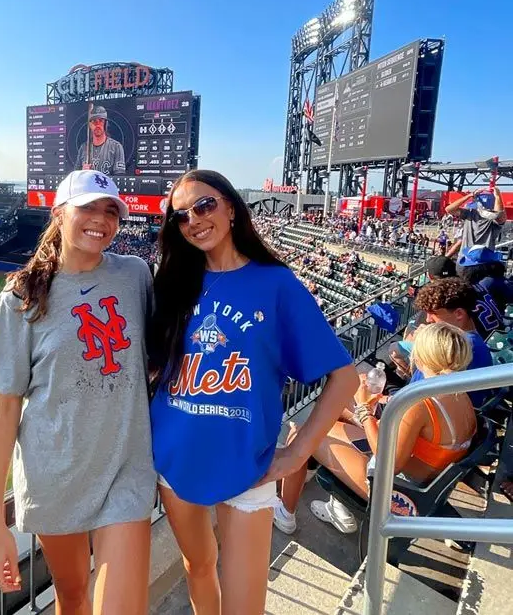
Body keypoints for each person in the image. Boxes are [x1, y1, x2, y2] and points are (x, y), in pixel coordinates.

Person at [149, 169, 358, 614]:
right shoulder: (171, 284)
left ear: (230, 207)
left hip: (250, 466)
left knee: (245, 605)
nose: (194, 220)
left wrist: (298, 453)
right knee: (198, 567)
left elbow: (345, 378)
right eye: (180, 216)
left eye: (204, 205)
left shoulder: (276, 284)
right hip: (174, 459)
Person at [0, 169, 156, 615]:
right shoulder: (21, 296)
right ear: (59, 214)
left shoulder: (135, 274)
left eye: (111, 210)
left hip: (125, 472)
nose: (101, 219)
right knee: (72, 598)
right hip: (55, 475)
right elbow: (5, 407)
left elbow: (159, 357)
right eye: (89, 207)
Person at [278, 322, 476, 534]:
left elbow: (386, 463)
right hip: (422, 484)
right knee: (330, 422)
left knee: (303, 435)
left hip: (395, 491)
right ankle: (338, 508)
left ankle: (285, 515)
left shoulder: (421, 401)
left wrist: (364, 409)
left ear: (421, 355)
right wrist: (379, 406)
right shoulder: (461, 395)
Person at [408, 278, 494, 406]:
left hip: (423, 412)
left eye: (433, 313)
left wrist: (423, 344)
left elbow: (425, 394)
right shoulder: (468, 341)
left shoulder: (459, 347)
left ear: (459, 314)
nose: (428, 319)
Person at [445, 186, 506, 254]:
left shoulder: (470, 213)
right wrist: (497, 196)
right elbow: (449, 209)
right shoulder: (470, 213)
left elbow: (449, 209)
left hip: (470, 259)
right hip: (481, 259)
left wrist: (470, 195)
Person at [76, 104, 126, 175]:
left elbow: (119, 177)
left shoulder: (116, 147)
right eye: (94, 121)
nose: (97, 124)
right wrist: (82, 172)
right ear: (90, 125)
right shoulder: (83, 148)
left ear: (106, 124)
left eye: (101, 120)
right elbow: (75, 177)